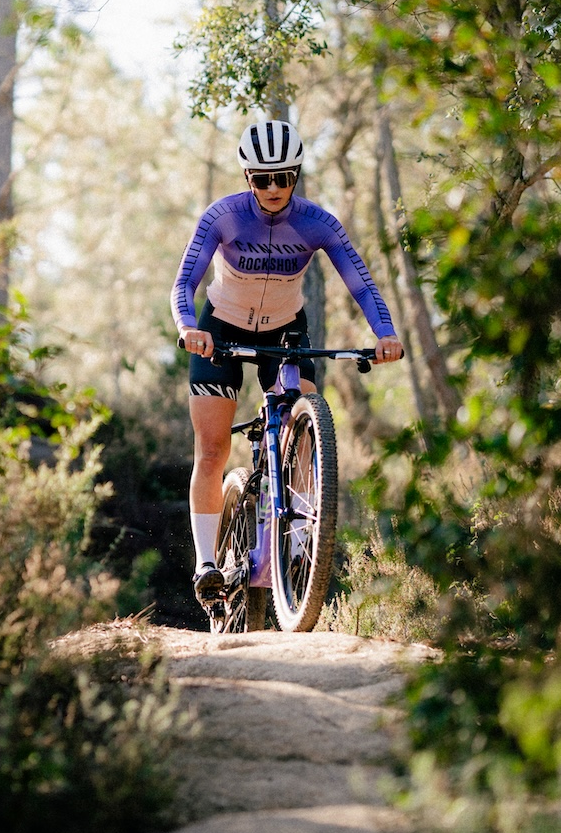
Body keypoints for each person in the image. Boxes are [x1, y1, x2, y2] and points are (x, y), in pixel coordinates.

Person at [173, 118, 405, 605]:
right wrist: (188, 328)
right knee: (213, 451)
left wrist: (385, 335)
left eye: (284, 177)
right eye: (262, 178)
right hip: (220, 329)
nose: (274, 188)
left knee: (307, 406)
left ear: (296, 175)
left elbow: (360, 282)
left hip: (284, 329)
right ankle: (208, 563)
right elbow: (184, 283)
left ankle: (299, 527)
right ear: (247, 179)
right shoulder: (224, 216)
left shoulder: (318, 223)